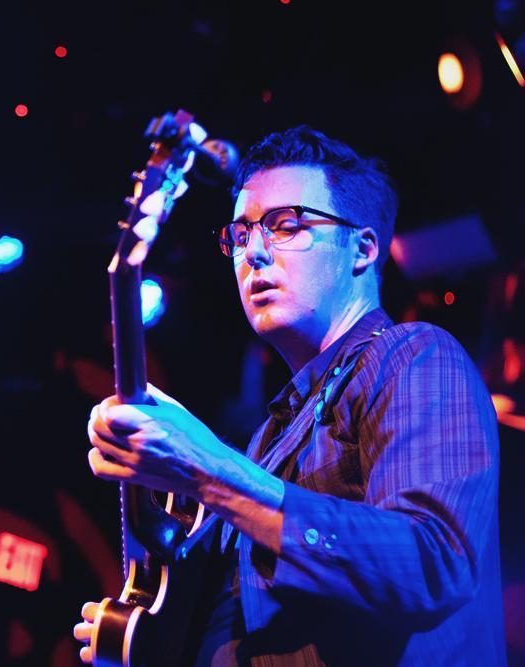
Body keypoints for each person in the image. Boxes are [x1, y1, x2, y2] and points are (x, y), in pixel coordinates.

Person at [74, 126, 505, 665]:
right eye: (240, 235)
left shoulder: (415, 354)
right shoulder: (267, 441)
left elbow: (432, 565)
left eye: (286, 225)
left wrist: (207, 467)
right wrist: (139, 637)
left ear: (362, 249)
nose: (253, 252)